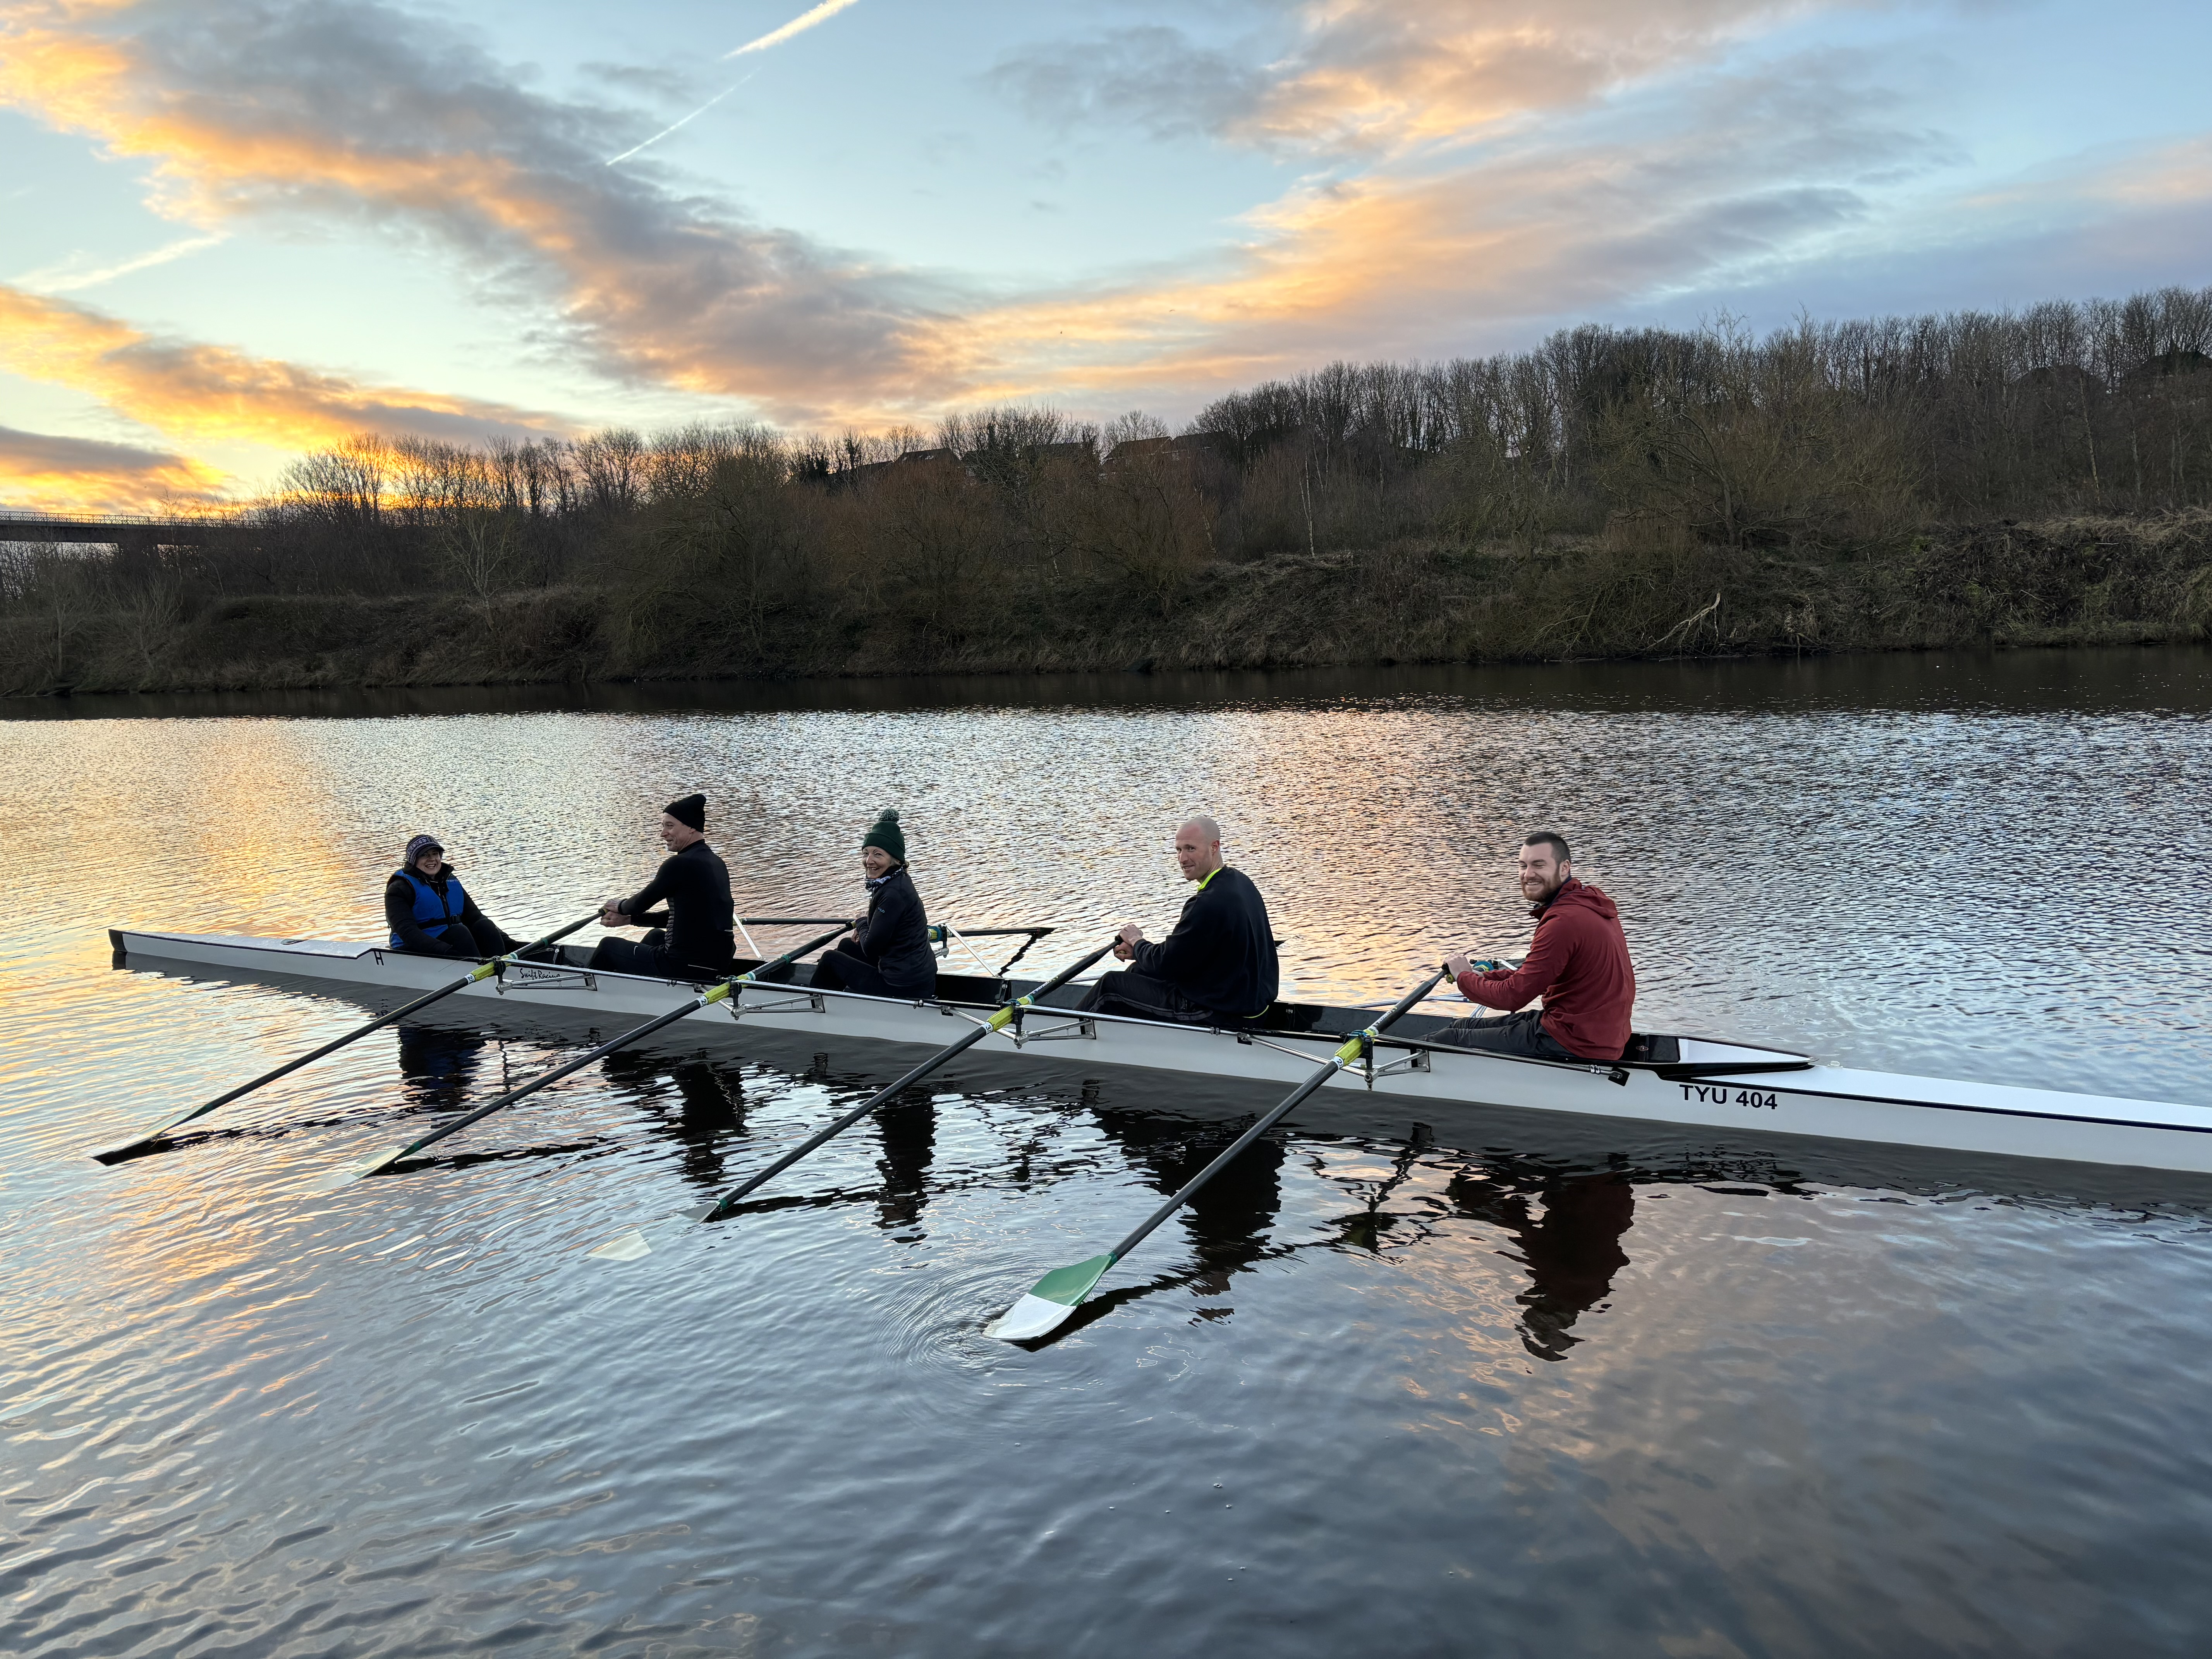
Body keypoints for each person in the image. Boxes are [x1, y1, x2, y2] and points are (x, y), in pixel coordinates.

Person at [1437, 831, 1635, 1062]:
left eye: (1539, 865)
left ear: (1564, 868)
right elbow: (1535, 976)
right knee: (1463, 1025)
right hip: (1591, 1031)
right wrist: (1481, 976)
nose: (1528, 874)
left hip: (1576, 1042)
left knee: (1449, 1039)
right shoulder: (1588, 904)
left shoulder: (1564, 922)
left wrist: (1463, 977)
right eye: (1523, 866)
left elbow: (1512, 998)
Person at [1079, 815, 1278, 1024]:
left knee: (1110, 986)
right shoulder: (1239, 882)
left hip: (1219, 1010)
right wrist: (1140, 952)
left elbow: (1166, 962)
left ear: (1214, 847)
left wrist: (1137, 941)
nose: (1182, 858)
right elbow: (1184, 955)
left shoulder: (1207, 903)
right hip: (1246, 1001)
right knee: (1139, 971)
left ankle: (1060, 1032)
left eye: (1191, 849)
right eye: (1179, 850)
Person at [588, 793, 737, 981]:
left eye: (670, 826)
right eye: (663, 826)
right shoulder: (715, 862)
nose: (663, 833)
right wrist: (629, 920)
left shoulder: (680, 864)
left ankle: (585, 990)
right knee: (655, 937)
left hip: (684, 964)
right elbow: (685, 915)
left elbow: (640, 903)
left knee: (607, 946)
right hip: (718, 961)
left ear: (691, 828)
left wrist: (619, 906)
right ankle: (635, 988)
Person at [810, 809, 936, 1000]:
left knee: (830, 959)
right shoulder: (897, 880)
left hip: (903, 987)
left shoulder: (893, 894)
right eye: (866, 853)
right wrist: (865, 926)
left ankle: (813, 1007)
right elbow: (881, 929)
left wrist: (861, 923)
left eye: (878, 855)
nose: (869, 861)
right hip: (916, 977)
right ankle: (835, 1002)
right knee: (846, 946)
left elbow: (871, 948)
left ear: (895, 859)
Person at [385, 834, 517, 958]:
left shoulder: (450, 881)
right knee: (460, 933)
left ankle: (504, 965)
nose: (432, 859)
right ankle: (480, 971)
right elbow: (407, 932)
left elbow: (475, 917)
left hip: (451, 942)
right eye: (424, 855)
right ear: (414, 860)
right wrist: (444, 950)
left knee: (484, 926)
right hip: (413, 947)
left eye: (435, 854)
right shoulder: (399, 889)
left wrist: (507, 941)